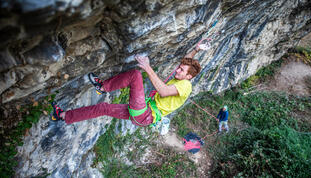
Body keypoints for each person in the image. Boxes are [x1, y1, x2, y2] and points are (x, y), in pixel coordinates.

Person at [50, 46, 202, 127]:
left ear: (189, 77)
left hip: (145, 113)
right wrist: (197, 48)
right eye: (179, 67)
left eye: (181, 70)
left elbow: (163, 91)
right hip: (142, 115)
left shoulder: (186, 86)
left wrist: (147, 67)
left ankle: (102, 87)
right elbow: (188, 60)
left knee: (135, 75)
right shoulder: (183, 77)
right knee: (103, 108)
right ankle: (63, 116)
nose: (177, 69)